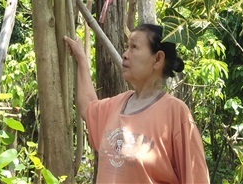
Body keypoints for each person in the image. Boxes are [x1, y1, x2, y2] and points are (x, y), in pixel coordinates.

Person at [64, 24, 210, 184]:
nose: (125, 54)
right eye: (127, 47)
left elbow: (196, 178)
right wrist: (81, 59)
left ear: (157, 59)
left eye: (134, 47)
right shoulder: (117, 104)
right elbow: (87, 106)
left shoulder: (175, 113)